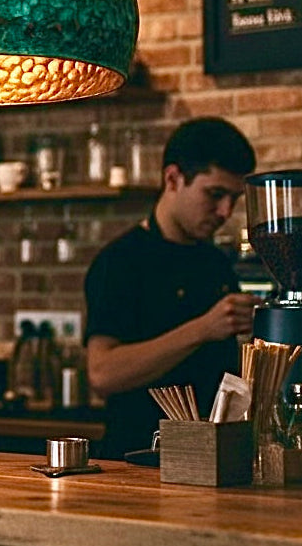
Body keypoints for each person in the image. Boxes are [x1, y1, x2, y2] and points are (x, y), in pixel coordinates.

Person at [84, 116, 257, 458]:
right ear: (173, 179)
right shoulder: (120, 261)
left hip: (212, 459)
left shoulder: (216, 262)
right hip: (137, 462)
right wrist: (203, 328)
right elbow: (102, 373)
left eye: (234, 198)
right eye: (215, 194)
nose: (226, 211)